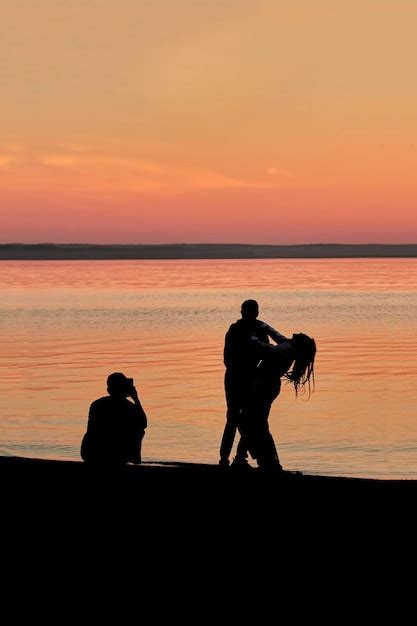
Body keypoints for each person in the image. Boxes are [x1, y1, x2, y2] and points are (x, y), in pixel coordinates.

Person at [219, 299, 287, 468]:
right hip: (236, 378)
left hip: (249, 378)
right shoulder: (236, 331)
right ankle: (226, 459)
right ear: (243, 313)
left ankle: (239, 457)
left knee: (245, 419)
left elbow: (272, 348)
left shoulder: (259, 328)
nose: (251, 315)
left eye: (253, 313)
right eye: (249, 312)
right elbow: (229, 359)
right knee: (234, 418)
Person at [238, 332, 316, 471]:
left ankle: (263, 460)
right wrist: (264, 327)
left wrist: (251, 337)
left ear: (299, 344)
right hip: (268, 387)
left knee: (251, 422)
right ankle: (262, 459)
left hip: (264, 387)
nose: (297, 333)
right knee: (255, 423)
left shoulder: (285, 350)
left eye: (301, 335)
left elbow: (265, 349)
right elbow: (275, 334)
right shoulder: (288, 347)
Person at [81, 372, 147, 466]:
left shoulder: (96, 404)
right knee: (139, 430)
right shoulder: (128, 407)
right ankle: (133, 459)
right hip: (115, 455)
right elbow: (143, 423)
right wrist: (135, 398)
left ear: (108, 390)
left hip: (89, 453)